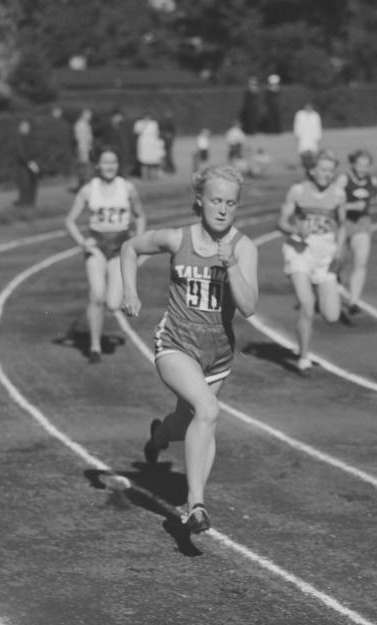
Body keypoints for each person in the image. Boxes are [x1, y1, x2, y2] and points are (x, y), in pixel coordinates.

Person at [120, 166, 259, 534]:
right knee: (208, 410)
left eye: (231, 203)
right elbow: (129, 248)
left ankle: (159, 436)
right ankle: (195, 504)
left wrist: (230, 265)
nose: (222, 208)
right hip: (177, 342)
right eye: (216, 199)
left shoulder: (244, 248)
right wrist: (130, 291)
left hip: (217, 351)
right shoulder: (175, 238)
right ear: (200, 199)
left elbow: (249, 306)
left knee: (189, 422)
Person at [65, 148, 146, 363]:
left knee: (112, 304)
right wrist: (82, 243)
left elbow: (140, 216)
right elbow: (69, 220)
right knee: (97, 295)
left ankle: (96, 337)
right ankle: (94, 346)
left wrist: (137, 243)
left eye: (114, 162)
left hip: (120, 246)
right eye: (106, 162)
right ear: (98, 165)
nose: (110, 166)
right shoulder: (88, 190)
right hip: (97, 246)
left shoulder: (127, 188)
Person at [277, 149, 346, 376]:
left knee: (332, 316)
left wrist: (340, 249)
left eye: (331, 170)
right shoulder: (298, 191)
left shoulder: (338, 194)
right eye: (323, 170)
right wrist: (296, 228)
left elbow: (342, 225)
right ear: (313, 170)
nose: (327, 174)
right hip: (300, 252)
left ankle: (312, 310)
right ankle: (303, 356)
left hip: (325, 253)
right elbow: (281, 223)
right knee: (306, 304)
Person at [336, 149, 377, 316]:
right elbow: (332, 202)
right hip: (342, 224)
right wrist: (350, 206)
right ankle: (335, 279)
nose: (363, 169)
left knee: (360, 261)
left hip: (362, 223)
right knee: (339, 260)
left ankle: (353, 302)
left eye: (366, 166)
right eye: (360, 165)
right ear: (352, 164)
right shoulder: (343, 179)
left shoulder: (372, 180)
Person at [101, 109, 134, 178]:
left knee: (122, 166)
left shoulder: (123, 126)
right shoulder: (108, 126)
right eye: (119, 116)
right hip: (113, 150)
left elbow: (126, 139)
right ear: (114, 116)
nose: (121, 118)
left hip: (122, 150)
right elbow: (107, 139)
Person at [14, 119, 39, 209]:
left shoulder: (29, 138)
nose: (27, 129)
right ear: (20, 128)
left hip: (31, 164)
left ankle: (30, 204)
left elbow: (33, 150)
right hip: (23, 166)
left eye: (28, 127)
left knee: (32, 185)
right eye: (25, 127)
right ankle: (24, 204)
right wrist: (29, 162)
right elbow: (20, 153)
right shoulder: (19, 139)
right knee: (25, 185)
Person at [293, 102, 322, 172]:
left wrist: (318, 136)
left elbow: (318, 126)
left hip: (312, 137)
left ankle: (312, 166)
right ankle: (303, 165)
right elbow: (297, 125)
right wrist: (297, 134)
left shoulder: (315, 115)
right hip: (303, 136)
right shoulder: (300, 114)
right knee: (303, 152)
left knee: (313, 152)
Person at [133, 114, 164, 180]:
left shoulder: (154, 123)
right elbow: (136, 131)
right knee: (144, 161)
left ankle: (152, 176)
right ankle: (144, 176)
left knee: (152, 160)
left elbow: (157, 133)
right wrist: (144, 124)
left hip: (152, 143)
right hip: (143, 143)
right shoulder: (139, 123)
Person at [73, 109, 94, 190]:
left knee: (86, 167)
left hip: (87, 147)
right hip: (83, 147)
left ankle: (85, 184)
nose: (90, 117)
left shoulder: (86, 124)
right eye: (88, 115)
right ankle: (83, 185)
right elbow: (79, 138)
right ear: (83, 115)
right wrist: (84, 148)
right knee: (84, 167)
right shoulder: (80, 124)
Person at [158, 110, 177, 174]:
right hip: (165, 141)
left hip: (167, 141)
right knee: (166, 155)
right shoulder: (165, 122)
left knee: (167, 155)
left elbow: (172, 132)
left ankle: (169, 168)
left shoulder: (168, 122)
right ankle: (168, 168)